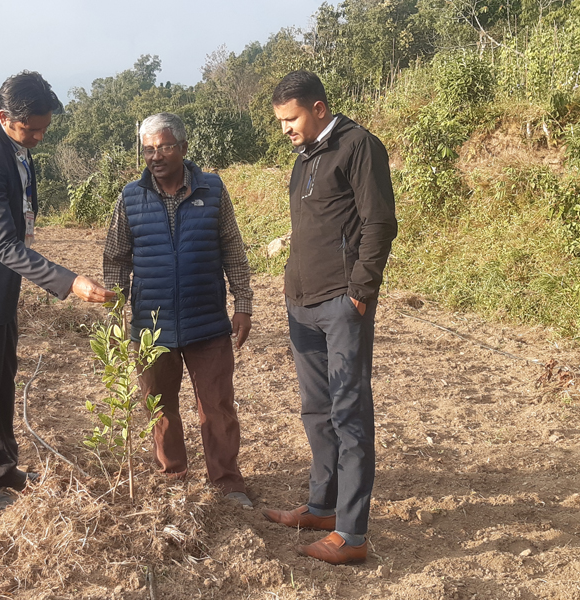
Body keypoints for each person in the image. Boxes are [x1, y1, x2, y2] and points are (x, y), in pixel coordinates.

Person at [0, 71, 114, 512]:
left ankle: (2, 467)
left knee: (2, 376)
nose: (37, 137)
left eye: (43, 129)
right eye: (29, 129)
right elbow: (2, 244)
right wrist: (71, 281)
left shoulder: (8, 134)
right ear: (3, 116)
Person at [261, 71, 398, 564]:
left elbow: (379, 221)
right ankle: (322, 507)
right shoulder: (304, 158)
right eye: (280, 121)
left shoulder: (359, 146)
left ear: (318, 108)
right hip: (302, 304)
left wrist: (360, 292)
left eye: (290, 118)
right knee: (316, 412)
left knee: (350, 415)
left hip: (342, 303)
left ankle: (352, 535)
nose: (285, 129)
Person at [103, 112, 255, 507]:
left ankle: (227, 482)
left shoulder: (213, 191)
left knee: (217, 405)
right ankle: (174, 477)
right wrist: (118, 313)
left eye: (164, 146)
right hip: (151, 327)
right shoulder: (130, 197)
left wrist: (243, 304)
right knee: (160, 405)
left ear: (184, 148)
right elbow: (116, 258)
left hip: (207, 323)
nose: (155, 156)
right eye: (148, 148)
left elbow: (233, 251)